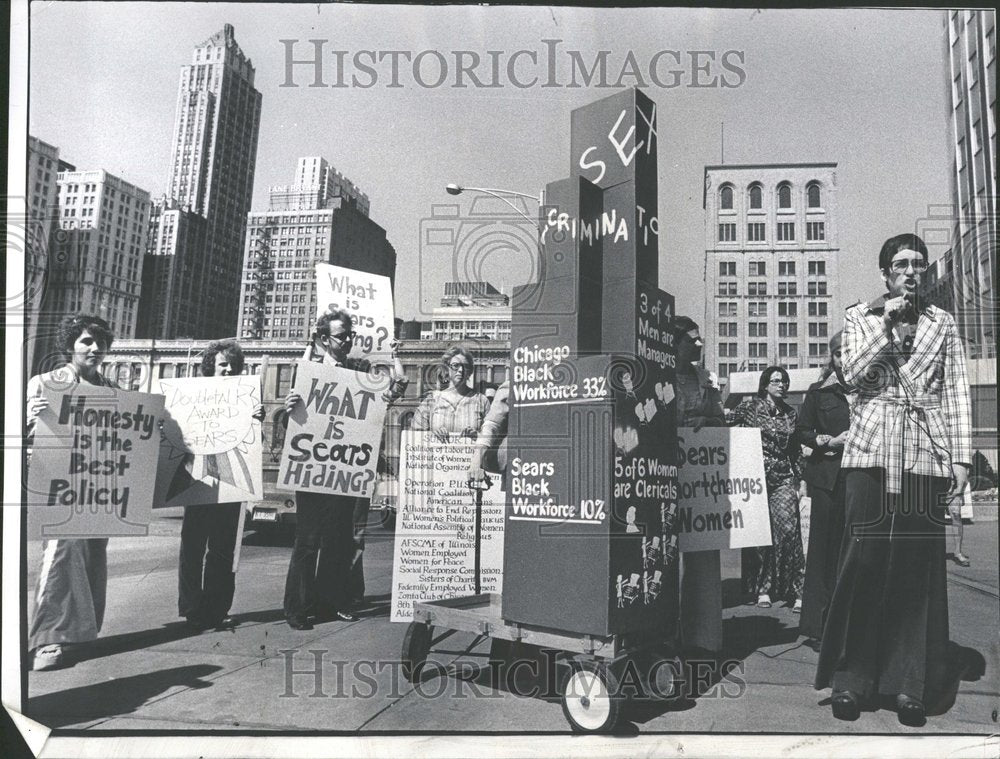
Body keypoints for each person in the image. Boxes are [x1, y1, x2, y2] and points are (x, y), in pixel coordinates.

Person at [815, 233, 971, 727]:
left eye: (918, 265)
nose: (911, 272)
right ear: (885, 273)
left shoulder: (942, 323)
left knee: (916, 571)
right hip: (869, 453)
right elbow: (856, 374)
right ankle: (852, 679)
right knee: (863, 564)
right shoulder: (860, 317)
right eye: (901, 264)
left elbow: (957, 391)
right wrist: (888, 325)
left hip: (925, 454)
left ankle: (909, 684)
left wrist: (962, 461)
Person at [282, 311, 407, 630]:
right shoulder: (307, 373)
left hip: (343, 469)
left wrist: (394, 374)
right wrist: (289, 408)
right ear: (325, 340)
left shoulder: (357, 373)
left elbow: (374, 409)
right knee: (308, 542)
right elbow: (292, 426)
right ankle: (297, 608)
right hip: (313, 468)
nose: (349, 340)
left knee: (336, 541)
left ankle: (325, 604)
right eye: (343, 336)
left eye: (350, 335)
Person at [26, 314, 118, 670]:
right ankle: (48, 639)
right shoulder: (46, 383)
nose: (94, 349)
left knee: (95, 555)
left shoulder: (112, 391)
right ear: (70, 346)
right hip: (58, 484)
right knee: (61, 554)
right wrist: (28, 415)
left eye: (99, 342)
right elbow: (22, 434)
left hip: (99, 486)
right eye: (85, 342)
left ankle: (80, 634)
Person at [177, 339, 264, 631]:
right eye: (222, 364)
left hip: (232, 482)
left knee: (224, 548)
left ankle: (217, 609)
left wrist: (256, 422)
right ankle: (191, 608)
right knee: (192, 545)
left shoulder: (247, 399)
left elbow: (253, 446)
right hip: (198, 480)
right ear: (211, 367)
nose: (228, 370)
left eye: (233, 365)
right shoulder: (193, 395)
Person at [672, 316, 727, 656]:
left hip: (700, 476)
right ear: (673, 342)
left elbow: (719, 418)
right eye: (691, 339)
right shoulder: (658, 377)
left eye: (699, 339)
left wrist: (709, 420)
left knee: (704, 556)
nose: (698, 344)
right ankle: (666, 631)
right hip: (665, 473)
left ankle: (703, 639)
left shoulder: (705, 379)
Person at [731, 366, 805, 610]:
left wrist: (800, 480)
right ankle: (763, 589)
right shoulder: (749, 408)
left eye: (784, 381)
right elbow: (724, 423)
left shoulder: (790, 414)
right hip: (755, 478)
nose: (781, 385)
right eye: (775, 381)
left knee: (788, 531)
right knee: (760, 536)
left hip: (783, 478)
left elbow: (794, 449)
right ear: (765, 385)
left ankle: (796, 590)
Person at [795, 331, 852, 645]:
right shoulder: (819, 392)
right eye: (840, 353)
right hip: (828, 480)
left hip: (863, 479)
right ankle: (820, 628)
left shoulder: (871, 390)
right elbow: (802, 431)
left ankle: (854, 628)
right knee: (823, 552)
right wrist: (828, 440)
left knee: (855, 553)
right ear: (832, 357)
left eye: (850, 352)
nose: (845, 358)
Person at [411, 346, 491, 442]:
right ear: (446, 368)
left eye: (465, 366)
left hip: (472, 455)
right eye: (455, 365)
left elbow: (492, 438)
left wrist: (477, 437)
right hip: (437, 456)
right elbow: (414, 437)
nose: (461, 370)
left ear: (470, 371)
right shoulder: (431, 401)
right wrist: (431, 436)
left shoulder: (482, 401)